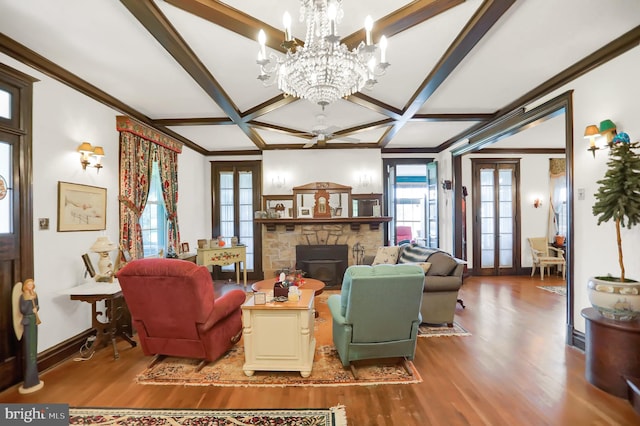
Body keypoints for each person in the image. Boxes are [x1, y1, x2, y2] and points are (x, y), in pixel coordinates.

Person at [14, 279, 44, 393]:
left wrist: (36, 308)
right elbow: (22, 309)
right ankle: (29, 380)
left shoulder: (34, 295)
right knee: (29, 348)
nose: (31, 286)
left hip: (34, 321)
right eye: (29, 284)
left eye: (32, 284)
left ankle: (34, 379)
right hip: (28, 321)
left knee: (33, 347)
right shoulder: (23, 297)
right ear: (26, 286)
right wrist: (30, 309)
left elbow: (37, 305)